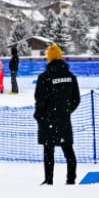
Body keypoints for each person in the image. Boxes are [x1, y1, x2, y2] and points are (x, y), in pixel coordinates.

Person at [34, 44, 81, 185]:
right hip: (64, 119)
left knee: (49, 151)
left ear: (48, 58)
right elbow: (76, 99)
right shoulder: (70, 77)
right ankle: (71, 179)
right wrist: (65, 111)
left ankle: (49, 180)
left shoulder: (44, 77)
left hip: (48, 120)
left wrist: (40, 115)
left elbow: (39, 99)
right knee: (68, 150)